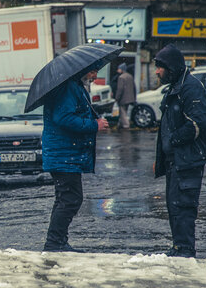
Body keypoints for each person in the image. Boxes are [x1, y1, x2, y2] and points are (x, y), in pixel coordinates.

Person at [153, 44, 206, 258]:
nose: (156, 71)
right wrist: (162, 157)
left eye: (160, 67)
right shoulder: (176, 87)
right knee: (174, 207)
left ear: (171, 68)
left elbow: (198, 124)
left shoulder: (190, 88)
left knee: (183, 207)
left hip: (188, 161)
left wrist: (172, 141)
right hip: (175, 161)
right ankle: (179, 247)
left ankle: (184, 251)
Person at [41, 68, 109, 252]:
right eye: (93, 72)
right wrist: (94, 125)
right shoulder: (68, 88)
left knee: (65, 198)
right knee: (71, 199)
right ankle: (54, 243)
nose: (95, 76)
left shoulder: (74, 86)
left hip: (65, 154)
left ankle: (58, 241)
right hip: (63, 154)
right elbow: (64, 118)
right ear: (82, 70)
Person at [114, 63, 136, 129]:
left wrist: (117, 98)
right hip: (130, 98)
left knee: (122, 112)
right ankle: (120, 124)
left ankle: (126, 125)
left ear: (122, 69)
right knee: (124, 112)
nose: (117, 70)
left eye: (119, 69)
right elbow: (134, 87)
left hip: (123, 98)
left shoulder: (121, 77)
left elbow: (120, 89)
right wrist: (134, 97)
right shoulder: (130, 76)